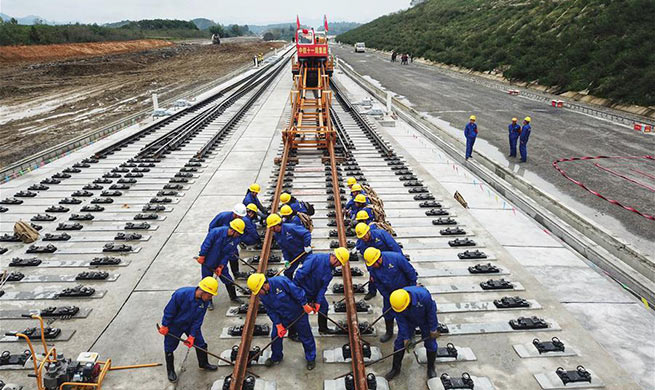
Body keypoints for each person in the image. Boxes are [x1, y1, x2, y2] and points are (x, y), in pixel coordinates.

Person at [247, 273, 317, 370]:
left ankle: (311, 358)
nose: (259, 294)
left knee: (306, 335)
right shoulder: (262, 295)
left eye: (259, 291)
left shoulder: (281, 282)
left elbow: (297, 292)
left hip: (298, 313)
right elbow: (270, 310)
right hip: (282, 316)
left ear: (264, 285)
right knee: (275, 335)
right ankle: (276, 357)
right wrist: (278, 324)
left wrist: (304, 304)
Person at [158, 277, 219, 383]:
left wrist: (192, 336)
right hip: (175, 325)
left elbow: (198, 320)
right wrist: (165, 325)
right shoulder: (180, 294)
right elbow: (169, 311)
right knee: (169, 347)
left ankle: (203, 363)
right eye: (209, 295)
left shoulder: (204, 302)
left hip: (190, 325)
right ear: (202, 291)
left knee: (201, 343)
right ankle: (170, 371)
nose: (210, 298)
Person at [385, 287, 440, 381]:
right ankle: (395, 369)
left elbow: (431, 312)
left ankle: (431, 368)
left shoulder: (423, 296)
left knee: (430, 343)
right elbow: (401, 321)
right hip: (408, 320)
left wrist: (433, 329)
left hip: (425, 320)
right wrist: (406, 337)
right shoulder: (397, 304)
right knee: (400, 342)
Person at [363, 247, 416, 343]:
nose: (373, 266)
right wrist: (387, 295)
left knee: (409, 314)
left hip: (405, 292)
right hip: (389, 293)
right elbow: (377, 283)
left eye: (374, 263)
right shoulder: (372, 266)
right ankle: (389, 332)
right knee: (387, 313)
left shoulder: (396, 258)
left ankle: (410, 334)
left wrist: (411, 291)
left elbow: (411, 273)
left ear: (379, 258)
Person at [294, 247, 349, 334]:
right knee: (299, 311)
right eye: (339, 264)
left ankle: (323, 328)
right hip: (303, 290)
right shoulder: (315, 259)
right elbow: (300, 275)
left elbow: (323, 287)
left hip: (315, 292)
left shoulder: (331, 270)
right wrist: (298, 293)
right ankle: (293, 333)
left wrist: (318, 302)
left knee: (324, 307)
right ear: (335, 258)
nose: (339, 266)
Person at [196, 219, 245, 308]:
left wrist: (221, 266)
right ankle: (208, 302)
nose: (239, 235)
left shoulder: (236, 239)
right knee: (207, 282)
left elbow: (228, 253)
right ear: (233, 230)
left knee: (228, 280)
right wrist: (202, 256)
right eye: (238, 233)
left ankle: (233, 297)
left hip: (220, 261)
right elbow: (206, 244)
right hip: (208, 261)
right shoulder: (216, 232)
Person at [355, 221, 405, 302]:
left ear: (368, 231)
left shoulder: (381, 234)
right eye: (362, 237)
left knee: (395, 276)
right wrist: (370, 271)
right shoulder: (362, 244)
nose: (364, 238)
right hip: (374, 262)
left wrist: (401, 261)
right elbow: (367, 259)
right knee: (374, 278)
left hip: (388, 259)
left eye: (365, 236)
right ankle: (372, 291)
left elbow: (394, 247)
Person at [208, 204, 248, 277]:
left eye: (241, 217)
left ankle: (236, 273)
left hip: (231, 241)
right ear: (235, 214)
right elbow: (211, 228)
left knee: (234, 255)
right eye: (239, 216)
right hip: (219, 241)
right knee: (220, 257)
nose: (240, 218)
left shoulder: (241, 221)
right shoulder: (222, 216)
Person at [267, 214, 312, 279]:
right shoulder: (277, 235)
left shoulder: (290, 227)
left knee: (309, 269)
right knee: (287, 272)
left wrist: (307, 245)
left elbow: (306, 234)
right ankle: (290, 286)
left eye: (271, 227)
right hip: (293, 255)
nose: (271, 229)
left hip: (304, 252)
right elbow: (284, 249)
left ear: (277, 224)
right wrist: (286, 260)